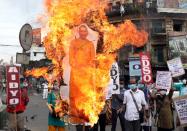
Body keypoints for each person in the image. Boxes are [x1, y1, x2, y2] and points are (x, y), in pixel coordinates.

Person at [69, 24, 95, 122]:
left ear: (87, 33)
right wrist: (76, 66)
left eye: (85, 31)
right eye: (81, 31)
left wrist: (89, 67)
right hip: (76, 73)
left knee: (86, 95)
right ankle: (75, 117)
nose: (83, 33)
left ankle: (86, 115)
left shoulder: (90, 44)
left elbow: (93, 59)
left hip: (86, 74)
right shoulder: (73, 43)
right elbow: (71, 58)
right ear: (78, 32)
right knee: (74, 95)